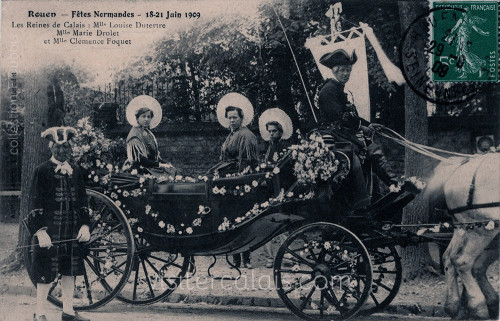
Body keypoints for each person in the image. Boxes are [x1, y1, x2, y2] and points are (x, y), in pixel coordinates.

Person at [317, 49, 399, 212]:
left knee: (371, 147)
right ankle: (387, 187)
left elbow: (351, 116)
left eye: (348, 70)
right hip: (335, 135)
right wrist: (362, 127)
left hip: (344, 133)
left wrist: (369, 125)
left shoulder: (338, 88)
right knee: (368, 147)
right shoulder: (328, 90)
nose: (346, 74)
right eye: (342, 70)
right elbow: (340, 117)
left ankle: (393, 184)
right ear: (335, 71)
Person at [24, 127, 91, 321]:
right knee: (45, 272)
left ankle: (68, 311)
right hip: (49, 233)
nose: (63, 152)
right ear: (51, 147)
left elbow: (83, 201)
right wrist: (39, 232)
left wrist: (85, 226)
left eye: (66, 147)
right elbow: (34, 202)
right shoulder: (42, 171)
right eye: (59, 147)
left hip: (71, 231)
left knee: (69, 271)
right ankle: (40, 312)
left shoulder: (75, 170)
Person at [210, 92, 259, 269]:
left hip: (240, 183)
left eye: (235, 117)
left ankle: (246, 258)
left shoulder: (246, 135)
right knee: (232, 220)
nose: (232, 120)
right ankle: (236, 258)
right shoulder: (231, 135)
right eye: (229, 117)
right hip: (229, 182)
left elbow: (248, 162)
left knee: (242, 221)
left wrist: (238, 180)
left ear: (241, 118)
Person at [258, 108, 293, 267]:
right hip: (269, 189)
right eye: (269, 131)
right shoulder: (269, 148)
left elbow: (286, 170)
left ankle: (287, 255)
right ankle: (270, 257)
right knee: (268, 222)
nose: (271, 134)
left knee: (282, 222)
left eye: (274, 131)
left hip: (281, 188)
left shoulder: (284, 148)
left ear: (280, 132)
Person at [125, 95, 177, 176]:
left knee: (174, 170)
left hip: (151, 166)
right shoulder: (134, 135)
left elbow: (155, 156)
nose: (146, 119)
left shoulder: (148, 133)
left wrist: (164, 163)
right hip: (141, 169)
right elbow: (141, 160)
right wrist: (160, 165)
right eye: (143, 116)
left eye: (148, 117)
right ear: (137, 118)